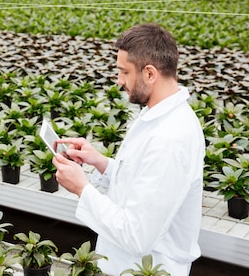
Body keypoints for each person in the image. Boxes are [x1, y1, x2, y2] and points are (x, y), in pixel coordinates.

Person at [52, 23, 204, 276]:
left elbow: (137, 236)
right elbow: (143, 179)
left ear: (150, 74)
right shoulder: (156, 115)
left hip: (148, 267)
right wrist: (101, 162)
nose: (119, 80)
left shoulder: (171, 138)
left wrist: (82, 188)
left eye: (124, 72)